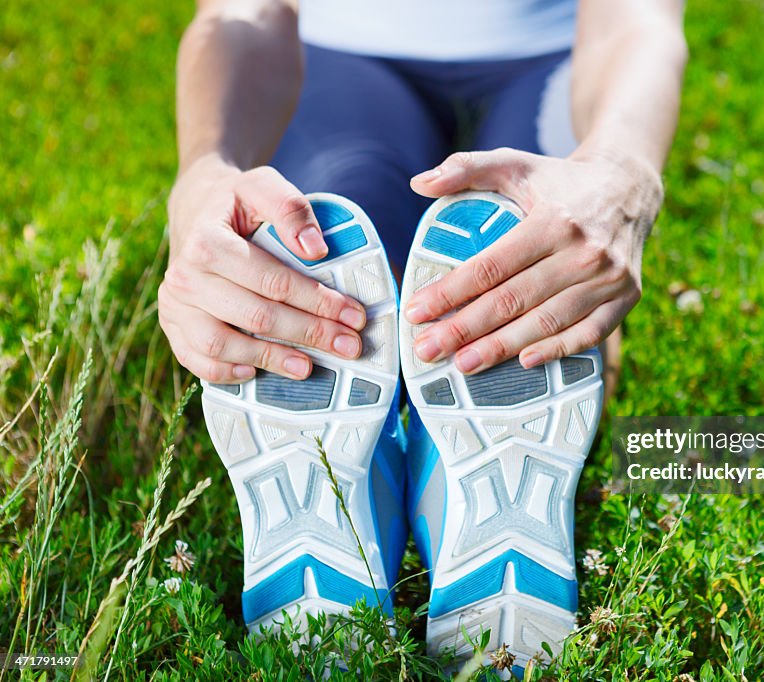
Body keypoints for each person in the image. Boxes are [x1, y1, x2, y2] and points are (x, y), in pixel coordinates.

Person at [158, 0, 687, 670]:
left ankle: (374, 487)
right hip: (343, 51)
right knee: (325, 253)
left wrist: (621, 175)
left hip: (556, 53)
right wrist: (203, 175)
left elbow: (631, 17)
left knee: (534, 253)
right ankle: (440, 480)